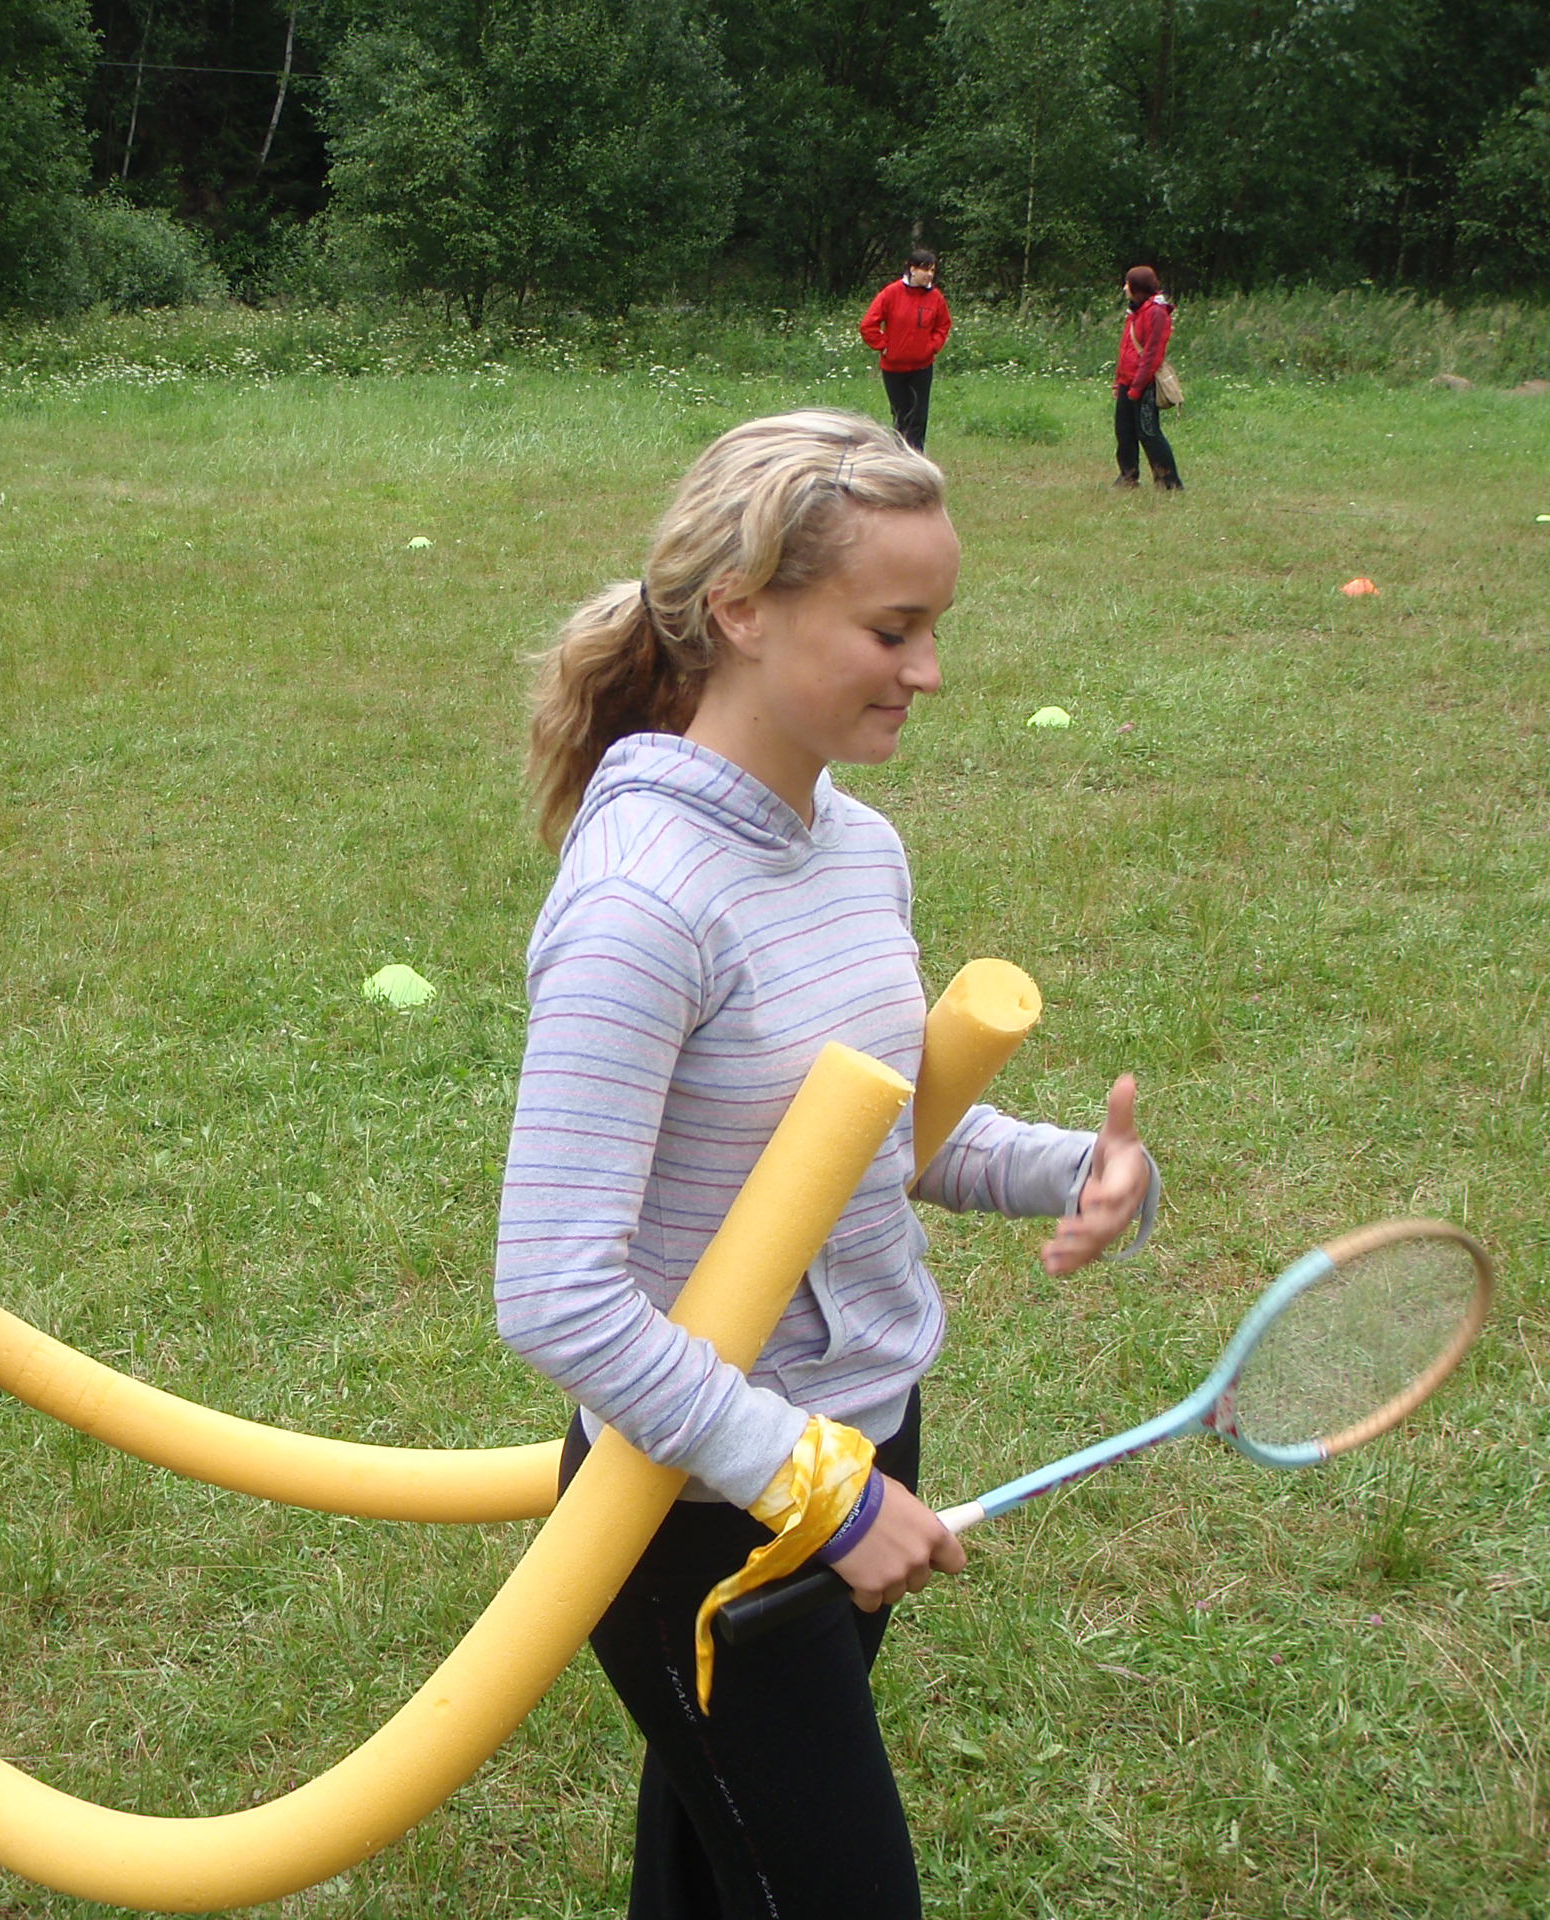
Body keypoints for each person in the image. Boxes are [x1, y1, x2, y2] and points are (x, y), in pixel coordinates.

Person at [498, 410, 1159, 1919]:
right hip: (698, 1515)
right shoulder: (642, 902)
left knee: (719, 1865)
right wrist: (821, 1496)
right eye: (891, 629)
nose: (928, 671)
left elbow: (864, 1139)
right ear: (741, 609)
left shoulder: (858, 849)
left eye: (934, 628)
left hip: (865, 1441)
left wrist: (1073, 1171)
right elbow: (552, 1294)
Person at [857, 249, 952, 451]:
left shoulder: (935, 297)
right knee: (901, 414)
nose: (929, 275)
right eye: (925, 270)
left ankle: (916, 455)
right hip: (894, 367)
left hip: (922, 366)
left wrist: (932, 347)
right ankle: (899, 454)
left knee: (919, 416)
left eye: (932, 270)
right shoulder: (891, 293)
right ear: (912, 269)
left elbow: (943, 325)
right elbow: (868, 325)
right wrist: (884, 347)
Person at [1113, 264, 1183, 490]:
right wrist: (1119, 382)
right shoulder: (1135, 311)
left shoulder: (1156, 313)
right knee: (1124, 432)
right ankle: (1128, 476)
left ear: (1138, 287)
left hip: (1145, 383)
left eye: (1128, 284)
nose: (1125, 288)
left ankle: (1168, 482)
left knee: (1149, 432)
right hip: (1128, 380)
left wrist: (1137, 387)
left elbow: (1152, 354)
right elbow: (1126, 349)